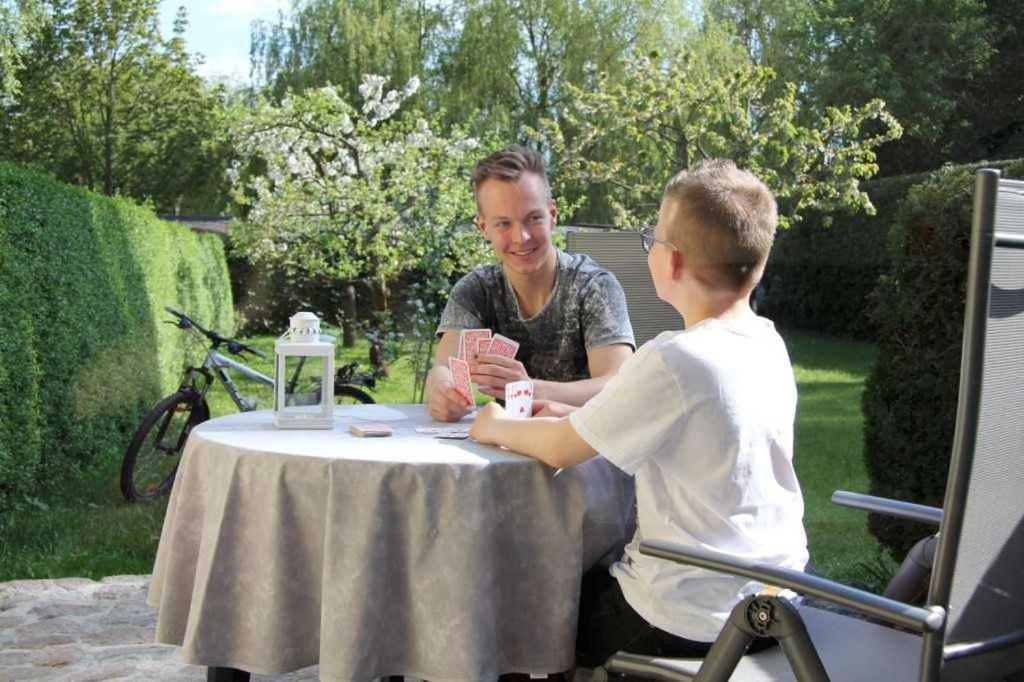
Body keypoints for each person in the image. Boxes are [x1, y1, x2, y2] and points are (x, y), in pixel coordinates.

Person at [470, 159, 809, 666]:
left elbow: (562, 448)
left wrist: (498, 424)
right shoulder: (766, 342)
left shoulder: (675, 358)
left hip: (684, 615)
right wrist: (562, 408)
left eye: (653, 238)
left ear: (670, 262)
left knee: (523, 603)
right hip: (774, 607)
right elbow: (665, 419)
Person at [426, 144, 635, 422]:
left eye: (533, 218)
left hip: (583, 451)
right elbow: (444, 367)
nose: (521, 237)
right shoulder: (474, 291)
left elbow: (618, 386)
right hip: (506, 447)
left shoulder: (594, 286)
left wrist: (529, 389)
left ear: (552, 216)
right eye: (503, 224)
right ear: (483, 228)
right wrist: (442, 391)